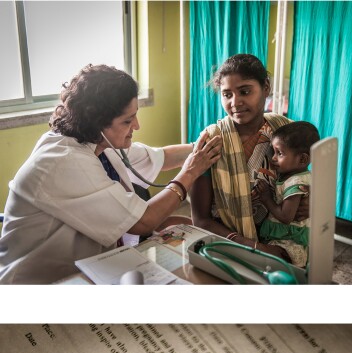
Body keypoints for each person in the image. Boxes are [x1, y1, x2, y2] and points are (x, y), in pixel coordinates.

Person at [0, 64, 222, 284]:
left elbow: (162, 157)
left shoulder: (97, 143)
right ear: (96, 120)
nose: (137, 125)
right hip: (38, 284)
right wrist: (191, 172)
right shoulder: (63, 161)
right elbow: (144, 222)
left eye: (135, 116)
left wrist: (205, 145)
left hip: (87, 271)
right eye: (127, 120)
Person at [190, 54, 309, 261]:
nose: (235, 102)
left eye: (245, 91)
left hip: (279, 241)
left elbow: (301, 180)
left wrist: (307, 202)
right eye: (227, 94)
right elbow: (200, 219)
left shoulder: (285, 132)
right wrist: (254, 247)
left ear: (266, 88)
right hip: (227, 243)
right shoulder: (211, 142)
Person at [252, 121, 319, 268]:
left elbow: (286, 217)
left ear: (302, 159)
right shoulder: (298, 176)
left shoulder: (296, 182)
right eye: (273, 152)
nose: (273, 158)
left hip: (288, 244)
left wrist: (266, 198)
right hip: (286, 240)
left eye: (279, 153)